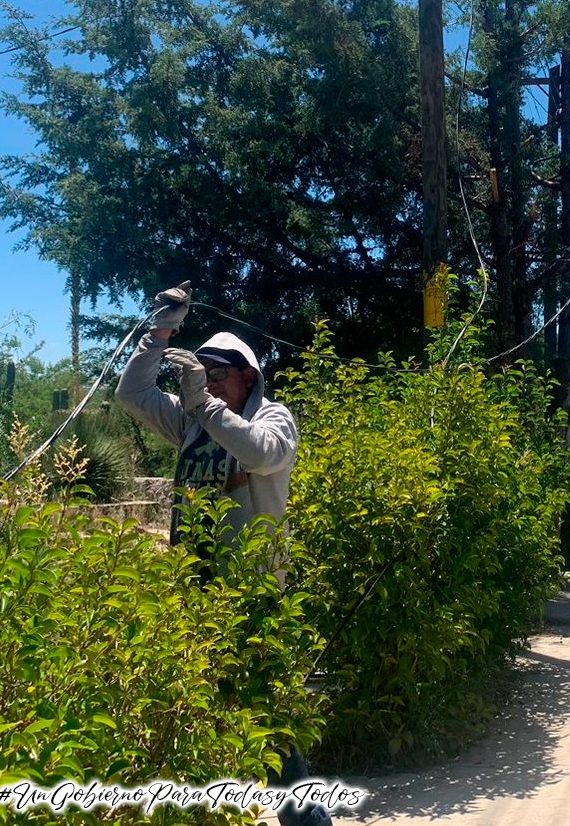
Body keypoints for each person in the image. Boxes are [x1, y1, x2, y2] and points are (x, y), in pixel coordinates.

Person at [115, 282, 330, 826]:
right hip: (197, 593)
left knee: (267, 721)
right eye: (201, 372)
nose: (206, 382)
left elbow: (260, 454)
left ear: (247, 377)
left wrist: (204, 403)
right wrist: (160, 332)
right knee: (199, 715)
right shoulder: (192, 422)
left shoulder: (273, 418)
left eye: (218, 374)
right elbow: (132, 395)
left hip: (254, 596)